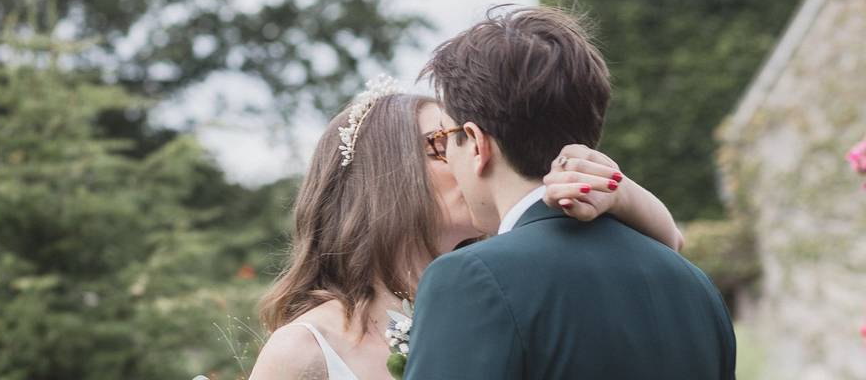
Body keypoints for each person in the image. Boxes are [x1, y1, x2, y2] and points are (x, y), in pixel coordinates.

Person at [249, 77, 684, 378]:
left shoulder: (499, 289)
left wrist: (619, 191)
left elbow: (665, 259)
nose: (471, 160)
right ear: (382, 174)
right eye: (443, 145)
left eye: (466, 140)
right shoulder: (304, 349)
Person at [404, 6, 736, 379]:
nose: (446, 157)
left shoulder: (472, 279)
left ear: (478, 144)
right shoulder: (696, 289)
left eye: (444, 140)